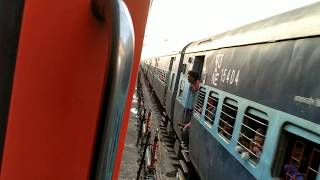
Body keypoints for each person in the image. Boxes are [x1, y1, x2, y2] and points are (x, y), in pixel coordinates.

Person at [181, 71, 200, 145]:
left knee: (185, 129)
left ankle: (186, 144)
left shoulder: (198, 85)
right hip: (194, 111)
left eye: (189, 76)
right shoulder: (193, 85)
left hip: (197, 112)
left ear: (193, 77)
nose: (188, 78)